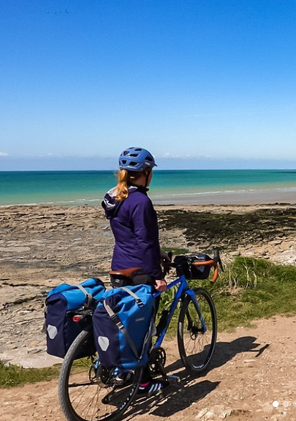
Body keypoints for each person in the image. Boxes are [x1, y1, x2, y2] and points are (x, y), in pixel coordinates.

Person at [102, 146, 168, 394]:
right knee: (142, 325)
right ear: (146, 172)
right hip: (139, 270)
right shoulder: (141, 201)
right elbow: (145, 241)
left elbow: (129, 235)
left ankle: (122, 371)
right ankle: (143, 382)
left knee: (124, 322)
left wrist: (157, 252)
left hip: (119, 266)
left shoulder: (116, 196)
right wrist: (158, 276)